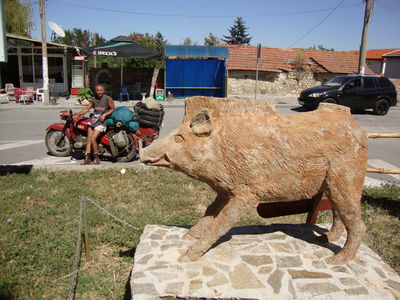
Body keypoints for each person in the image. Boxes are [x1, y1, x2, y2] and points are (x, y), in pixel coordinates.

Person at [73, 85, 115, 165]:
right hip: (93, 120)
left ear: (103, 91)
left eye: (100, 90)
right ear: (95, 91)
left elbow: (112, 109)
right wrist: (77, 115)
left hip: (102, 121)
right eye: (97, 90)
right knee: (88, 139)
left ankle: (96, 157)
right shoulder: (93, 99)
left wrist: (104, 115)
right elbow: (87, 108)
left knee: (93, 139)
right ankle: (87, 158)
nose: (99, 92)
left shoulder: (107, 98)